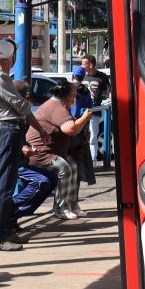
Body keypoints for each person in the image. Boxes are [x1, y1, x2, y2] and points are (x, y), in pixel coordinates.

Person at [0, 38, 42, 251]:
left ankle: (5, 231)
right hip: (7, 131)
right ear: (11, 58)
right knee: (4, 186)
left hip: (4, 130)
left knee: (6, 185)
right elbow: (21, 106)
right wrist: (39, 127)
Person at [26, 79, 93, 219]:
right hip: (40, 153)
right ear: (67, 95)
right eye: (74, 95)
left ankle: (72, 205)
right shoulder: (56, 107)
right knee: (64, 168)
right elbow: (71, 129)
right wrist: (85, 118)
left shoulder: (60, 105)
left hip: (51, 152)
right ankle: (60, 208)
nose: (76, 98)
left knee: (73, 166)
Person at [10, 79, 58, 220]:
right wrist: (21, 149)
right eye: (25, 100)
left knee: (52, 178)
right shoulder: (3, 114)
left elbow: (17, 139)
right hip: (7, 163)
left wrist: (27, 147)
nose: (28, 104)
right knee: (40, 181)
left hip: (19, 160)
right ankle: (7, 209)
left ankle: (18, 214)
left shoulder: (19, 113)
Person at [69, 67, 97, 184]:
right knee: (79, 160)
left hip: (67, 127)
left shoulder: (67, 88)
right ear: (82, 77)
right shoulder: (85, 90)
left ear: (73, 75)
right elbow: (90, 108)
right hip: (81, 128)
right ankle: (75, 190)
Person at [81, 56, 109, 165]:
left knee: (93, 136)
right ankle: (83, 161)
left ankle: (92, 160)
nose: (82, 66)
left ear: (91, 65)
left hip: (94, 112)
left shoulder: (102, 77)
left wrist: (110, 100)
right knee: (82, 136)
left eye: (84, 64)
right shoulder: (81, 76)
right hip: (81, 112)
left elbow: (109, 91)